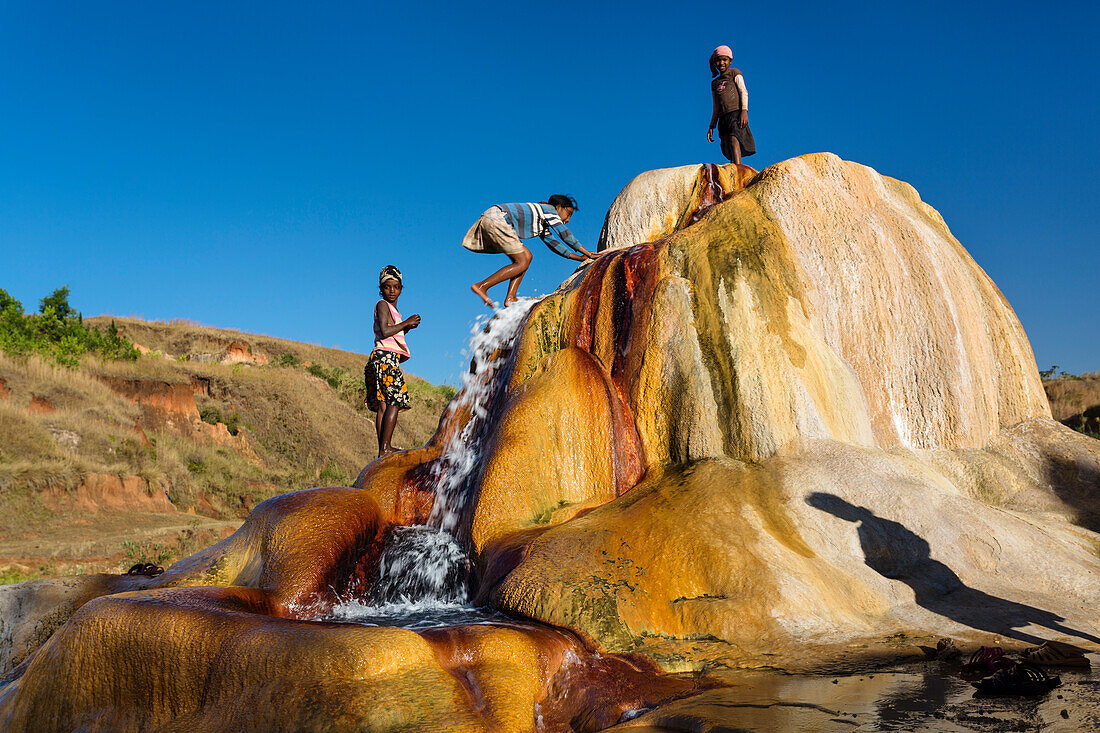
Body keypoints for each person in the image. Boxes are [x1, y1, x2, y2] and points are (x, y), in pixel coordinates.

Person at [462, 195, 601, 308]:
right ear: (559, 207)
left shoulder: (542, 222)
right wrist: (587, 252)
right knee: (522, 261)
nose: (568, 219)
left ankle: (511, 298)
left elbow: (553, 243)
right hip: (497, 219)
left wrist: (579, 258)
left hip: (494, 219)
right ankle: (482, 286)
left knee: (527, 257)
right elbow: (564, 234)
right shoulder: (549, 210)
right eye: (568, 214)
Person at [365, 265, 420, 457]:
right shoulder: (382, 305)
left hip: (381, 357)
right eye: (388, 287)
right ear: (381, 288)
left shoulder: (392, 309)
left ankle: (382, 450)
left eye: (396, 287)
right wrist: (405, 323)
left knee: (383, 405)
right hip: (386, 358)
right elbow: (386, 330)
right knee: (394, 401)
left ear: (401, 289)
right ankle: (386, 447)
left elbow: (391, 332)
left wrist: (407, 327)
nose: (392, 291)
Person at [706, 44, 756, 165]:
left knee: (734, 139)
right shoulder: (715, 83)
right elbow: (716, 106)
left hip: (735, 113)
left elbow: (743, 91)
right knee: (727, 142)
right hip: (723, 117)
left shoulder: (734, 73)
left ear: (730, 61)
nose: (721, 63)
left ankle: (738, 168)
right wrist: (712, 126)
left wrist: (744, 111)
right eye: (718, 60)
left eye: (724, 59)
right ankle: (733, 165)